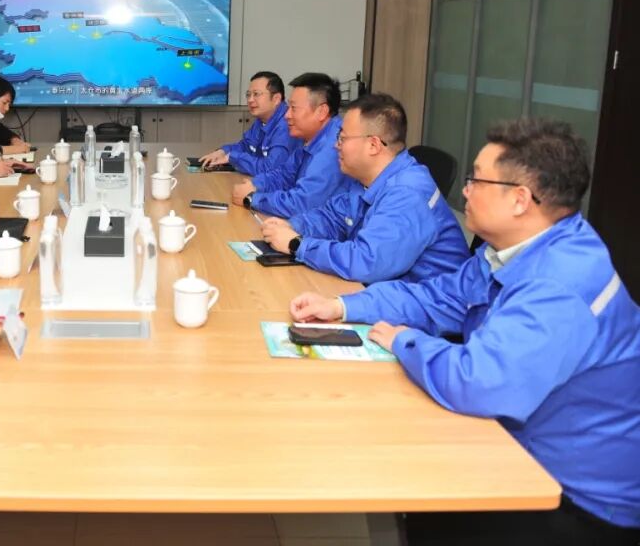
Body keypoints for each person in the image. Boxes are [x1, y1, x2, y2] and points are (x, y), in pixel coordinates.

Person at [290, 119, 640, 545]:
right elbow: (438, 297)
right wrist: (344, 306)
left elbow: (480, 382)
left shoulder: (560, 281)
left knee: (413, 479)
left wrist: (404, 340)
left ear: (520, 199)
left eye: (477, 180)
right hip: (525, 438)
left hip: (577, 495)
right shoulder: (512, 249)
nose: (465, 191)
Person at [260, 93, 468, 284]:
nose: (336, 145)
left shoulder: (407, 192)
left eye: (342, 138)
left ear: (373, 145)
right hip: (386, 292)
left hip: (427, 304)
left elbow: (367, 261)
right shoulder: (368, 178)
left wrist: (297, 245)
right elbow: (333, 218)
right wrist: (293, 226)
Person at [231, 72, 357, 216]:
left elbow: (302, 203)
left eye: (294, 108)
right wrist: (255, 185)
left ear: (322, 112)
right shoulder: (311, 138)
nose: (287, 115)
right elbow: (284, 175)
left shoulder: (334, 146)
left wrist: (252, 198)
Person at [198, 71, 298, 175]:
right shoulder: (261, 120)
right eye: (248, 94)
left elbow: (271, 169)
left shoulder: (286, 125)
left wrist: (233, 158)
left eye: (256, 94)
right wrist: (223, 152)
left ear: (276, 99)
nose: (250, 100)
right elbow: (246, 146)